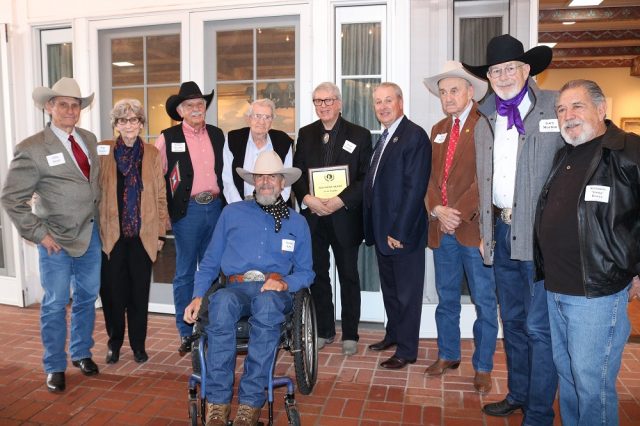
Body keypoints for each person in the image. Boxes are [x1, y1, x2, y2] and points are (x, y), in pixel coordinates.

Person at [463, 34, 563, 423]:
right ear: (488, 76)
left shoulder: (554, 105)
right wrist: (488, 229)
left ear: (526, 70)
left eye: (510, 68)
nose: (503, 76)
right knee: (515, 324)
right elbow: (486, 180)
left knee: (540, 329)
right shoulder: (484, 118)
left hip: (540, 238)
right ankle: (519, 393)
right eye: (495, 71)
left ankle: (539, 412)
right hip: (502, 235)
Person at [535, 79, 640, 425]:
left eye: (576, 106)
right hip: (556, 288)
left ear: (601, 108)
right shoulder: (563, 153)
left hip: (596, 292)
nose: (568, 115)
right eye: (562, 109)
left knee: (591, 383)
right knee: (567, 376)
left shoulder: (628, 151)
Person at [183, 150, 314, 426]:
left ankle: (249, 406)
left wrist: (284, 282)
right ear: (254, 181)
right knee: (220, 303)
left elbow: (307, 272)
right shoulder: (232, 213)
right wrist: (197, 296)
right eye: (260, 177)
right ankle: (217, 406)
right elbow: (209, 261)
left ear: (282, 183)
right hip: (236, 288)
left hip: (274, 292)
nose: (266, 182)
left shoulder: (297, 223)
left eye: (272, 177)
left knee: (266, 306)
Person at [1, 77, 101, 392]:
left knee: (86, 297)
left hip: (90, 235)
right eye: (63, 104)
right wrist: (39, 234)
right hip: (54, 240)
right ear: (49, 107)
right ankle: (54, 365)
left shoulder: (88, 138)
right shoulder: (31, 148)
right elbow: (12, 199)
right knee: (56, 302)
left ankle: (81, 352)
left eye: (75, 105)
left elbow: (91, 186)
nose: (71, 110)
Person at [422, 61, 497, 393]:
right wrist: (437, 208)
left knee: (484, 301)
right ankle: (448, 354)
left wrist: (457, 213)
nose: (448, 97)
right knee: (446, 297)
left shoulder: (487, 126)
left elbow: (489, 177)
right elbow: (428, 178)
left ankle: (482, 366)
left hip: (473, 230)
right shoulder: (437, 128)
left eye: (454, 90)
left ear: (470, 92)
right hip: (442, 228)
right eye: (443, 92)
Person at [292, 82, 372, 355]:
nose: (323, 106)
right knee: (317, 274)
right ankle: (325, 329)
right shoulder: (305, 134)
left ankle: (351, 333)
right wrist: (307, 198)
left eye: (328, 101)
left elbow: (365, 178)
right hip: (313, 216)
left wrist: (340, 200)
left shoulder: (359, 135)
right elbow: (297, 173)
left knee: (348, 274)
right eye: (318, 101)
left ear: (339, 103)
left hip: (344, 216)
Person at [362, 82, 431, 369]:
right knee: (390, 291)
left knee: (406, 294)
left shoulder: (414, 136)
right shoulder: (386, 137)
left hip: (402, 234)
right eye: (378, 102)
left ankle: (406, 350)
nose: (383, 106)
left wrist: (398, 232)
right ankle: (393, 334)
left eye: (388, 100)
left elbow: (414, 189)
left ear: (400, 102)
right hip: (382, 232)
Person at [155, 81, 225, 355]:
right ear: (181, 110)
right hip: (188, 211)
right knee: (184, 273)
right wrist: (163, 214)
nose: (197, 109)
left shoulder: (218, 135)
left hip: (216, 208)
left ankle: (208, 326)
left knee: (214, 270)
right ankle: (186, 332)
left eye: (200, 104)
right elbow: (156, 177)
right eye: (190, 105)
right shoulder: (167, 138)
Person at [98, 99, 168, 364]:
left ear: (141, 123)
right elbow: (95, 188)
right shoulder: (104, 150)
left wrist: (161, 232)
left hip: (143, 235)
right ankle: (114, 343)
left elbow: (160, 195)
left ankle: (138, 345)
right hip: (112, 235)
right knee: (113, 293)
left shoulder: (151, 153)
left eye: (135, 120)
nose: (129, 125)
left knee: (139, 293)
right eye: (123, 120)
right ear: (116, 124)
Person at [223, 98, 293, 203]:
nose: (261, 121)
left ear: (272, 121)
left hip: (275, 206)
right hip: (240, 205)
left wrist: (273, 206)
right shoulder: (233, 139)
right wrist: (239, 207)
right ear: (249, 118)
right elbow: (227, 179)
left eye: (267, 117)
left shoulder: (283, 141)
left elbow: (287, 182)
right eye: (257, 116)